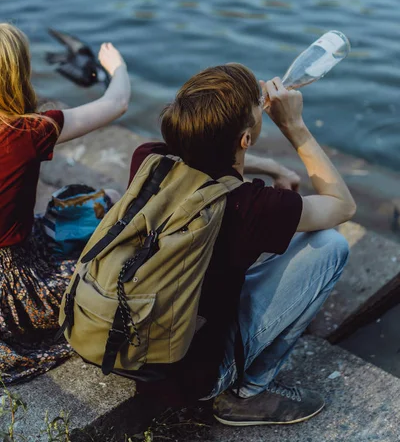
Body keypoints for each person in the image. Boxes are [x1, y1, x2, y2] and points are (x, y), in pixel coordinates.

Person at [129, 63, 356, 426]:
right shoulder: (251, 207)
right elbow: (343, 205)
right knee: (330, 246)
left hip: (135, 343)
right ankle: (247, 394)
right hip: (194, 375)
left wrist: (267, 167)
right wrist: (294, 127)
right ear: (245, 140)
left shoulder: (149, 158)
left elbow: (209, 159)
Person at [0, 22, 131, 384]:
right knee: (121, 255)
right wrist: (116, 66)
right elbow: (116, 102)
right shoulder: (27, 131)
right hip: (12, 291)